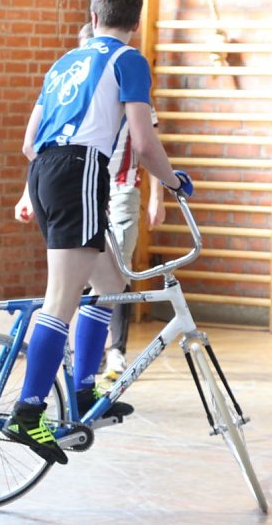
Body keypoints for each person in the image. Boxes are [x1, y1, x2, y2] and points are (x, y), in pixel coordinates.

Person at [7, 0, 192, 465]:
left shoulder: (65, 61)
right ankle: (28, 411)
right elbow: (144, 142)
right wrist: (173, 182)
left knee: (107, 285)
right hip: (80, 170)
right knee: (61, 300)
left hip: (44, 170)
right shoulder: (128, 60)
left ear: (93, 17)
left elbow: (29, 143)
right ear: (134, 25)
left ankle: (84, 390)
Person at [77, 23, 166, 381]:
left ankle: (115, 350)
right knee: (81, 271)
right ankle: (86, 353)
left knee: (117, 271)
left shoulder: (131, 86)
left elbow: (150, 144)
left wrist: (158, 195)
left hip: (122, 186)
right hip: (83, 186)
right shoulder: (77, 93)